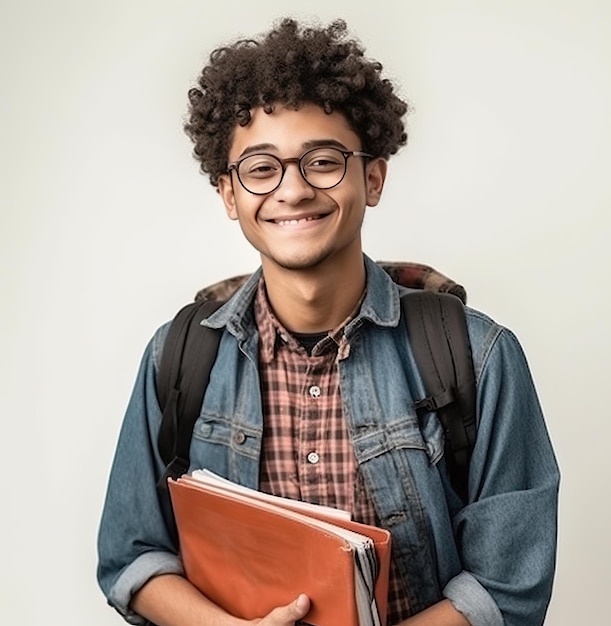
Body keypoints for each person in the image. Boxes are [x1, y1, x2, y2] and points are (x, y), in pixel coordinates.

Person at [97, 18, 559, 626]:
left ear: (373, 177)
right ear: (229, 195)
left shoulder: (479, 356)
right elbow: (131, 559)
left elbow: (509, 587)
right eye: (261, 169)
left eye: (322, 160)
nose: (292, 190)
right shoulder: (179, 356)